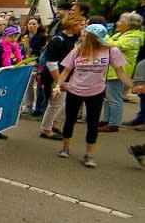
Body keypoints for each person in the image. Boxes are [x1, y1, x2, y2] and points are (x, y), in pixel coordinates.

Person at [55, 24, 133, 167]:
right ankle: (65, 147)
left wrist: (133, 86)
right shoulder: (77, 51)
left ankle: (89, 155)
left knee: (92, 124)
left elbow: (121, 73)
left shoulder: (111, 51)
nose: (83, 37)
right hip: (74, 90)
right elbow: (66, 71)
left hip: (96, 92)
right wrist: (58, 86)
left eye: (86, 35)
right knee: (70, 120)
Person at [40, 14, 85, 141]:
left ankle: (53, 124)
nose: (83, 27)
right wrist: (59, 82)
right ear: (73, 24)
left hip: (67, 77)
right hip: (55, 77)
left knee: (61, 103)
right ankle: (46, 129)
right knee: (55, 104)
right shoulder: (58, 40)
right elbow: (51, 63)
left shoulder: (74, 38)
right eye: (81, 25)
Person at [100, 12, 145, 132]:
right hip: (112, 70)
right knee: (109, 97)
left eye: (121, 21)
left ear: (129, 24)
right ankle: (107, 120)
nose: (117, 23)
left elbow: (111, 45)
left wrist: (104, 34)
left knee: (115, 98)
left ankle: (113, 124)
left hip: (119, 71)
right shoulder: (122, 34)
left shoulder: (133, 37)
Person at [21, 18, 49, 116]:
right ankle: (28, 106)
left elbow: (42, 51)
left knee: (39, 86)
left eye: (33, 24)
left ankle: (39, 108)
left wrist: (33, 53)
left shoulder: (42, 37)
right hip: (25, 62)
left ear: (38, 25)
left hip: (37, 62)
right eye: (29, 23)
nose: (31, 26)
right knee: (28, 84)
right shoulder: (23, 36)